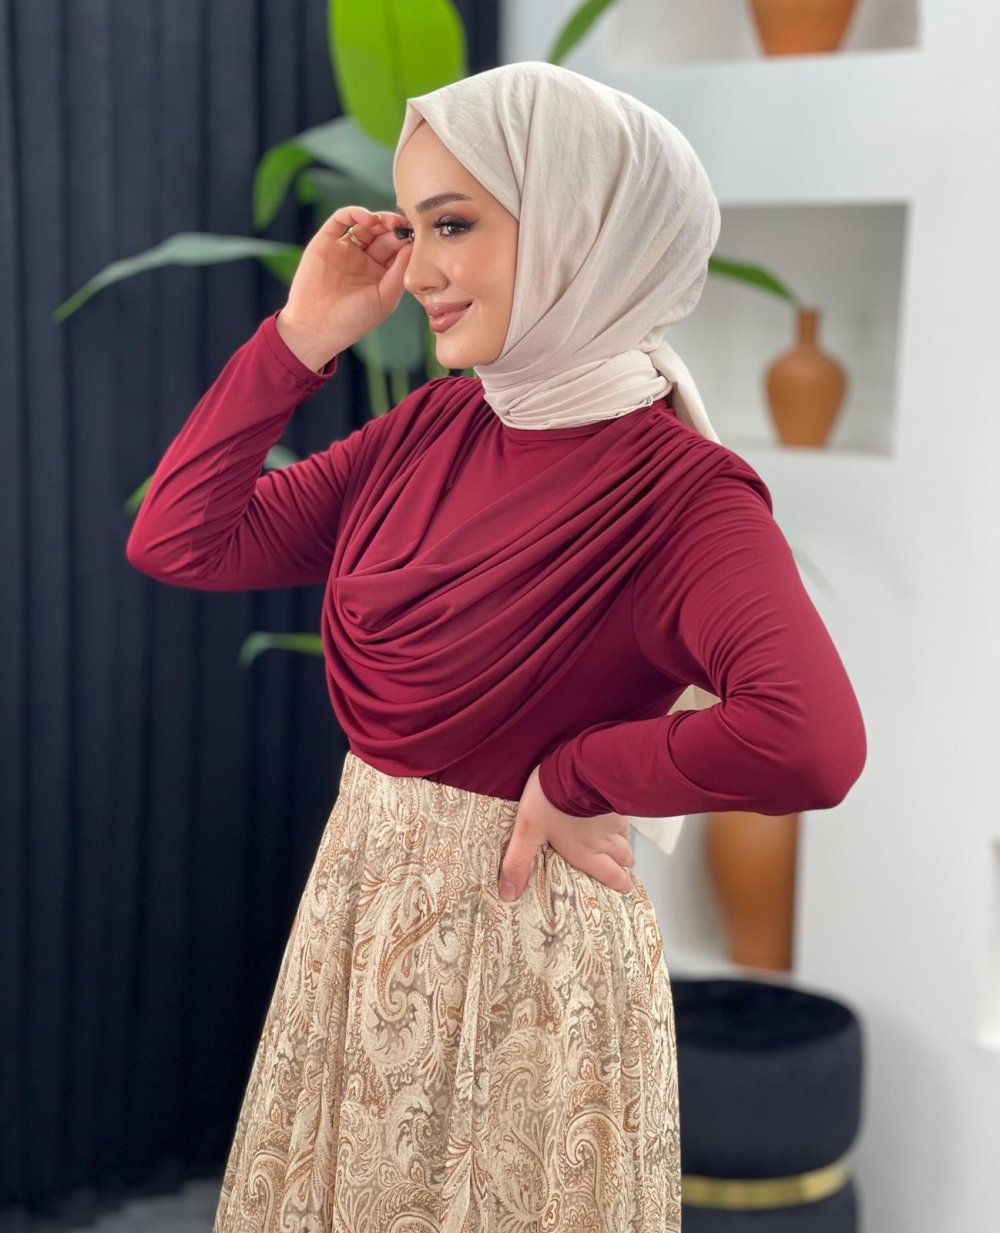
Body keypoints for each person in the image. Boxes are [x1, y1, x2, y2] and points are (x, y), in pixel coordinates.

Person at [126, 60, 866, 1232]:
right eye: (413, 228)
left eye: (455, 225)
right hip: (359, 924)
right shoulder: (436, 425)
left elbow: (809, 740)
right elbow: (181, 539)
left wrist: (581, 773)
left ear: (581, 225)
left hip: (522, 959)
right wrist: (301, 336)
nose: (418, 270)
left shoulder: (685, 498)